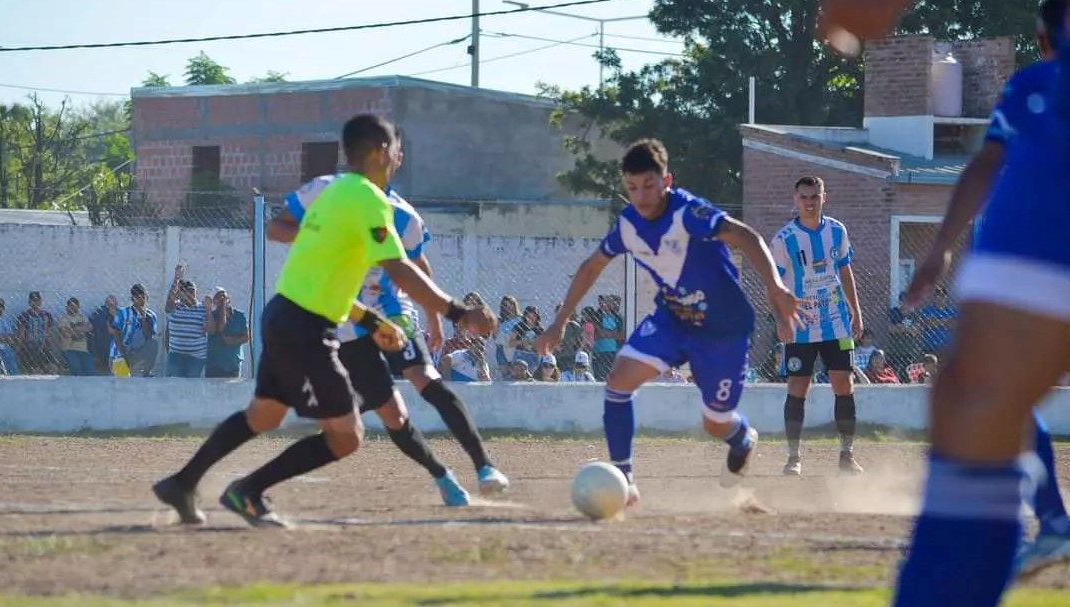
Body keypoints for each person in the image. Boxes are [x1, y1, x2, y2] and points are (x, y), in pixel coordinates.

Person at [152, 114, 495, 528]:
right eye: (394, 148)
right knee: (347, 436)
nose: (397, 156)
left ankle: (183, 483)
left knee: (264, 415)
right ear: (381, 152)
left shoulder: (333, 194)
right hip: (308, 330)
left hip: (283, 315)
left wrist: (371, 322)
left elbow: (326, 282)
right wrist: (459, 312)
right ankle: (246, 492)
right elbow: (402, 271)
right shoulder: (369, 199)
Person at [892, 4, 1070, 605]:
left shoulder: (1040, 85)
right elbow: (987, 162)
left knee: (980, 397)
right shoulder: (1032, 89)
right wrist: (940, 249)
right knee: (978, 396)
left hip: (1034, 253)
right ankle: (1049, 523)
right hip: (1027, 252)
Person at [537, 138, 801, 508]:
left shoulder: (688, 212)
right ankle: (624, 479)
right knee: (617, 381)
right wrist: (560, 321)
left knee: (715, 422)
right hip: (673, 319)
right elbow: (592, 265)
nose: (641, 197)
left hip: (723, 329)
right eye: (631, 188)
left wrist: (775, 288)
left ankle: (740, 437)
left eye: (648, 185)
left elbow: (745, 236)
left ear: (666, 180)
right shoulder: (628, 224)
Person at [266, 130, 508, 502]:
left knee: (425, 377)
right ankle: (442, 476)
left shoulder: (404, 217)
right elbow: (276, 228)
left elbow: (417, 266)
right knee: (392, 414)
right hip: (348, 321)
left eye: (393, 152)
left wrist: (433, 318)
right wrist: (320, 239)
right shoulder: (327, 193)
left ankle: (484, 465)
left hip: (394, 313)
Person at [771, 176, 864, 477]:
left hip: (836, 323)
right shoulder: (784, 239)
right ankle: (794, 457)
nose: (809, 202)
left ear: (825, 197)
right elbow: (773, 285)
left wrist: (856, 312)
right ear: (794, 200)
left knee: (844, 384)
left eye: (815, 196)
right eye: (804, 197)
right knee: (798, 387)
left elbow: (845, 271)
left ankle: (847, 455)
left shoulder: (837, 231)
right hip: (800, 323)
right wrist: (782, 320)